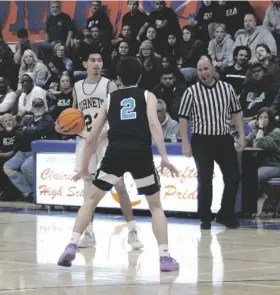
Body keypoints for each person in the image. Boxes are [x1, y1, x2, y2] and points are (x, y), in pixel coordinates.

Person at [57, 56, 179, 272]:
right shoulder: (147, 95)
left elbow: (92, 137)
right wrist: (165, 157)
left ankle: (71, 244)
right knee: (156, 206)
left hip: (115, 153)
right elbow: (154, 124)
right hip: (140, 153)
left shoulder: (110, 99)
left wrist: (85, 167)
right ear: (140, 76)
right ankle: (164, 258)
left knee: (91, 200)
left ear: (119, 79)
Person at [56, 47, 143, 250]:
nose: (96, 63)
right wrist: (62, 126)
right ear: (85, 64)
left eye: (99, 60)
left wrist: (100, 136)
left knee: (120, 187)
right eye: (92, 59)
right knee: (88, 191)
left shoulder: (110, 86)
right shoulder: (77, 87)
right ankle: (89, 234)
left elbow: (116, 116)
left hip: (105, 142)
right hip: (85, 142)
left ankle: (132, 232)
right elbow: (74, 114)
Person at [179, 55, 245, 230]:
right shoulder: (191, 92)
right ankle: (205, 217)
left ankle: (225, 214)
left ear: (213, 68)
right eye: (200, 70)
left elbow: (237, 113)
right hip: (202, 140)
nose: (203, 73)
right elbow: (183, 119)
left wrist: (242, 136)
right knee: (205, 179)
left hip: (224, 138)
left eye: (206, 69)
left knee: (233, 177)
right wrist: (185, 142)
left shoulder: (227, 88)